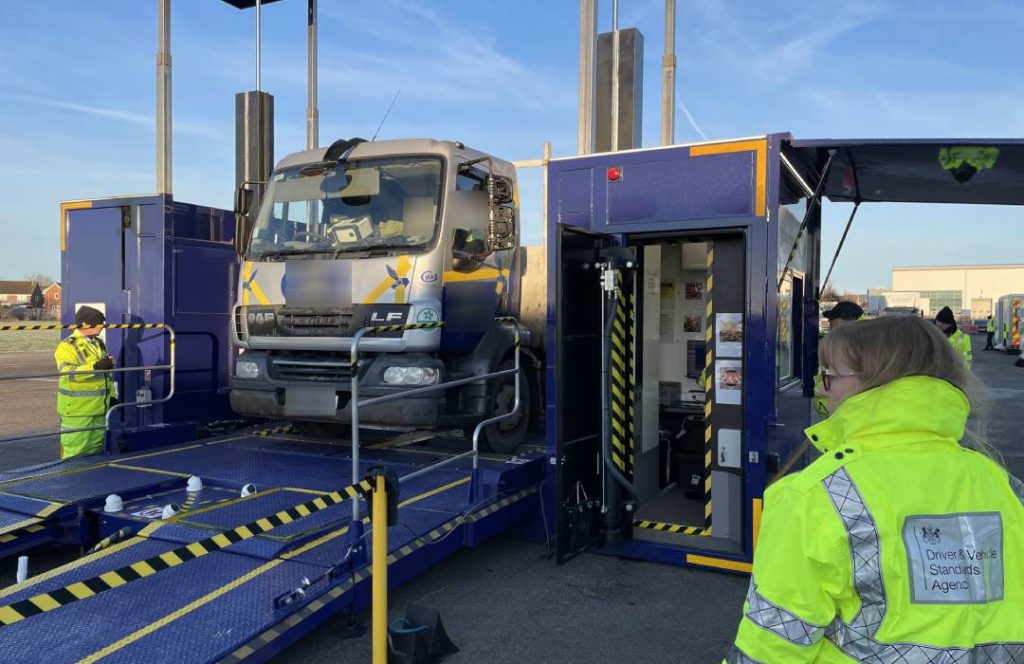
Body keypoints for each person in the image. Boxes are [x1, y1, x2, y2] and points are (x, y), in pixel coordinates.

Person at [726, 316, 1024, 662]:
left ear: (875, 384)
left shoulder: (814, 496)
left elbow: (771, 649)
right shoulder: (1000, 483)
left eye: (829, 376)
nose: (821, 390)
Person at [55, 306, 115, 459]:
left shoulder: (99, 344)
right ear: (86, 324)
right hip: (78, 411)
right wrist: (95, 367)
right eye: (99, 323)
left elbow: (107, 376)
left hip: (99, 408)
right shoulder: (67, 346)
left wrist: (112, 397)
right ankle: (73, 483)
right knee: (75, 453)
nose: (102, 327)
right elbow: (67, 373)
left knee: (95, 451)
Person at [812, 301, 864, 418]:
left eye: (831, 318)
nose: (829, 322)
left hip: (843, 412)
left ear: (842, 320)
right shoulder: (857, 339)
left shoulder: (849, 344)